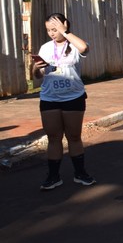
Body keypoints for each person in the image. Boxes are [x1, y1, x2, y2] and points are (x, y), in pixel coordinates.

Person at [32, 13, 96, 190]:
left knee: (74, 137)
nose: (52, 33)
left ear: (65, 25)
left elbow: (84, 48)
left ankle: (80, 173)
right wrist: (36, 68)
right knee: (54, 138)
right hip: (49, 97)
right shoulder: (45, 48)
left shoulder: (74, 44)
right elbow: (36, 76)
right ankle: (53, 176)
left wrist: (64, 32)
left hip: (73, 97)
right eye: (49, 30)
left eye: (55, 29)